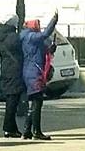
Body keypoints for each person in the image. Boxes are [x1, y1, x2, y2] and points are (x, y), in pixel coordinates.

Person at [20, 12, 59, 141]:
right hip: (33, 73)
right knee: (37, 101)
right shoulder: (30, 36)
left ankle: (27, 132)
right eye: (37, 24)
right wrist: (54, 20)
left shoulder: (28, 37)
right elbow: (45, 34)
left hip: (31, 72)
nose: (39, 27)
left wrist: (50, 49)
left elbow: (40, 51)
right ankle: (36, 132)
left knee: (34, 102)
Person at [0, 17, 26, 138]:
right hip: (14, 70)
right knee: (12, 102)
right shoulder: (13, 37)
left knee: (11, 100)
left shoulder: (1, 35)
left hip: (6, 69)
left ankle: (12, 128)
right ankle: (8, 128)